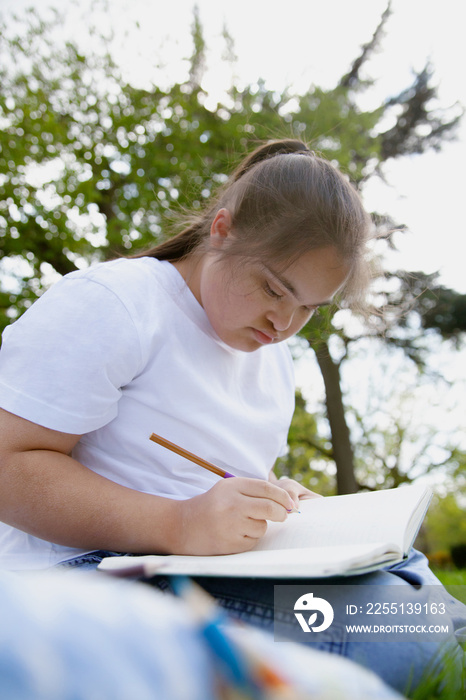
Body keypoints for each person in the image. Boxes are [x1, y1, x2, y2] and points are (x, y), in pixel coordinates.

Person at [0, 139, 464, 694]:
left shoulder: (273, 359)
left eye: (310, 308)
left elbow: (215, 480)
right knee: (400, 636)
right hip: (88, 569)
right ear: (222, 229)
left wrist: (282, 510)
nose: (285, 322)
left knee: (421, 593)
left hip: (203, 568)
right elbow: (9, 462)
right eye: (274, 288)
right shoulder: (117, 303)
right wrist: (178, 524)